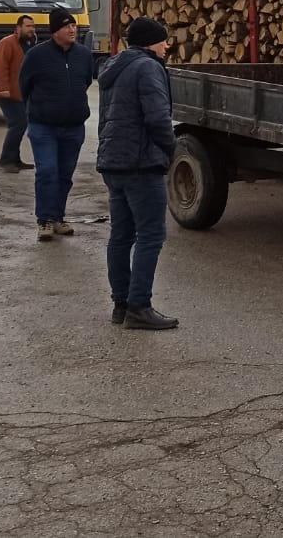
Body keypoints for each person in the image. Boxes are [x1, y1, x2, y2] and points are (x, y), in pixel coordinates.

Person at [96, 17, 179, 330]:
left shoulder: (113, 67)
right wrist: (170, 150)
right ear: (149, 42)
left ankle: (121, 304)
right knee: (151, 234)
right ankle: (139, 306)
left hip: (113, 161)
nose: (166, 46)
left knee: (121, 235)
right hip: (140, 163)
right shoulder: (147, 67)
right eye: (163, 41)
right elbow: (158, 117)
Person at [18, 7, 93, 242]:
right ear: (55, 31)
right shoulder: (37, 56)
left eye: (74, 25)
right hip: (44, 126)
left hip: (73, 127)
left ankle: (59, 217)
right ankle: (45, 220)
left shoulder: (83, 54)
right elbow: (24, 86)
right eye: (66, 26)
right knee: (48, 172)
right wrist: (41, 108)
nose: (73, 30)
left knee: (65, 175)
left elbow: (86, 80)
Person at [0, 15, 38, 173]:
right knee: (18, 124)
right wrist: (3, 88)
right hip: (8, 93)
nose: (31, 29)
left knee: (21, 124)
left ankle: (15, 159)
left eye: (33, 26)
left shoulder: (31, 44)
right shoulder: (6, 43)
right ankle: (6, 160)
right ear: (18, 28)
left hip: (23, 93)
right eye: (27, 26)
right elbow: (1, 67)